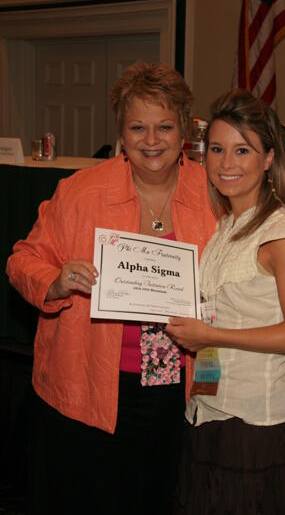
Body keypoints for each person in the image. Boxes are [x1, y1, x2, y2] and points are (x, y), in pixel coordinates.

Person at [6, 61, 216, 515]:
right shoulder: (81, 191)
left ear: (184, 130)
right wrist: (56, 281)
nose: (152, 140)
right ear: (121, 133)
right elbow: (23, 259)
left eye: (164, 126)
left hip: (178, 388)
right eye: (137, 127)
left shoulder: (213, 192)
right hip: (89, 386)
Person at [166, 88, 285, 514]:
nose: (226, 163)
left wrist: (209, 333)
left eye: (241, 150)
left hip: (255, 429)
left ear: (268, 158)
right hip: (207, 413)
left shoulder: (281, 232)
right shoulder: (225, 228)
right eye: (216, 149)